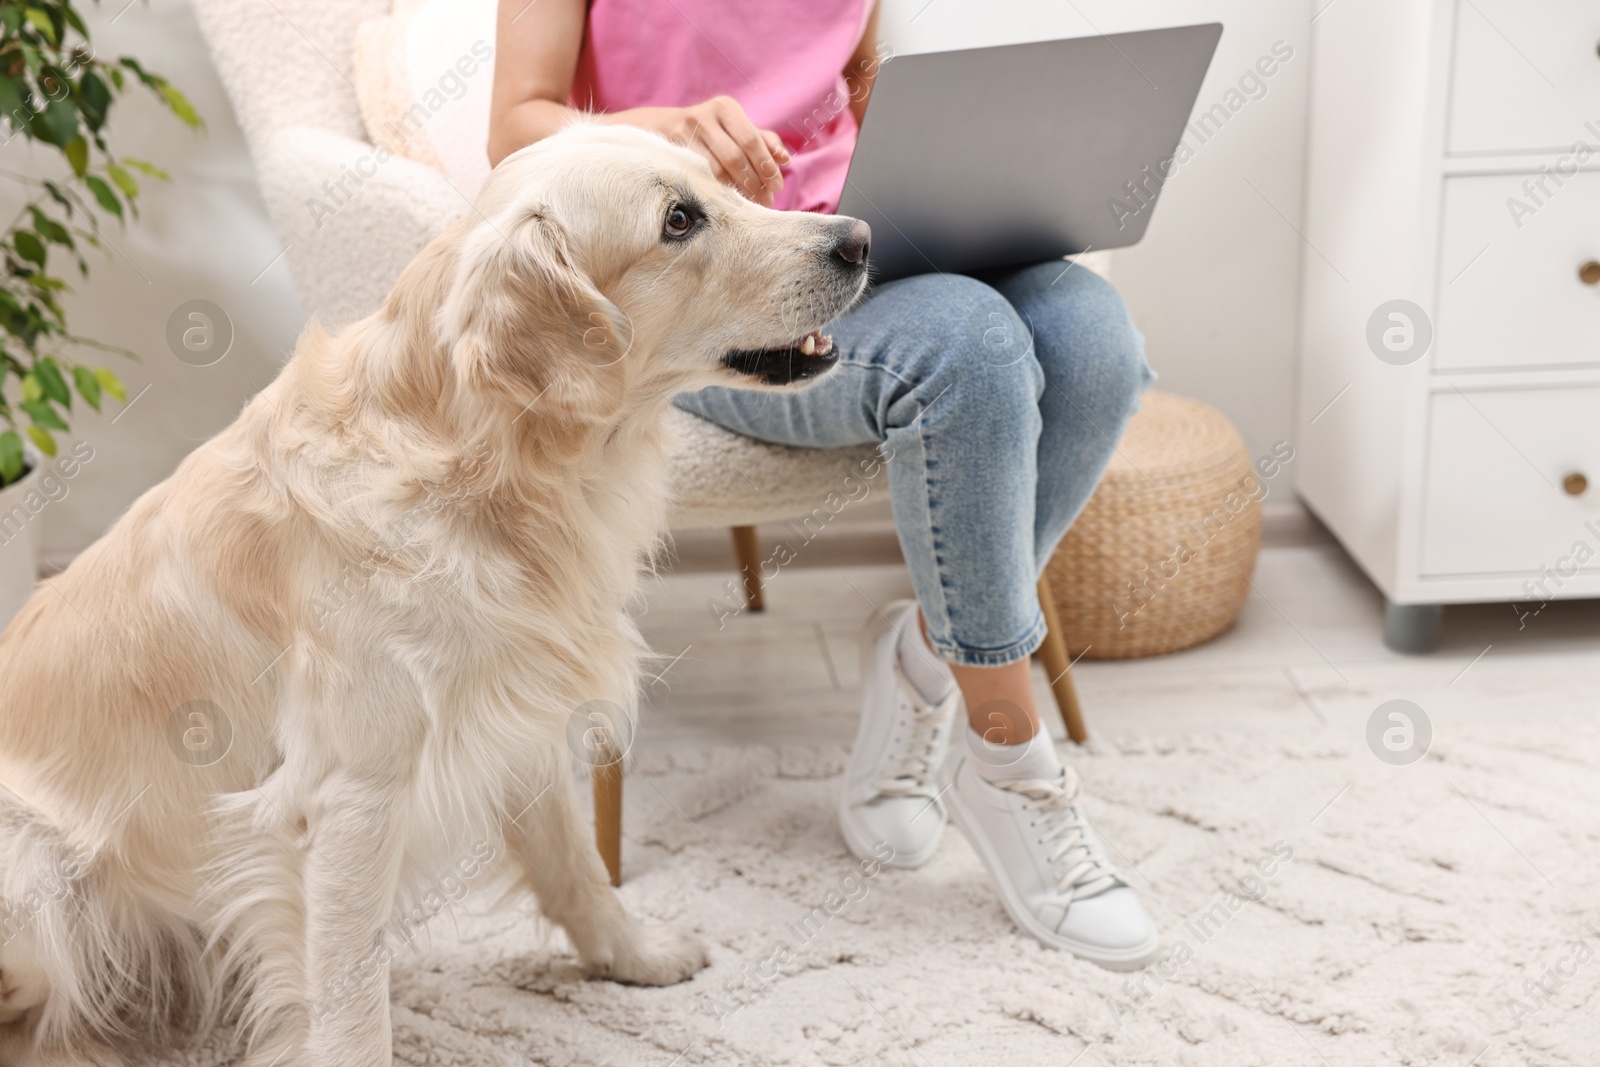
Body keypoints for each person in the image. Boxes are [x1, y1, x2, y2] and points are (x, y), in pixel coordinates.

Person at [490, 0, 1160, 969]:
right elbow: (516, 124)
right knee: (969, 351)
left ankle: (929, 659)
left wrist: (957, 177)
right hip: (720, 307)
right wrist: (664, 135)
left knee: (1093, 338)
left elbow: (858, 90)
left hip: (865, 253)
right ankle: (1007, 752)